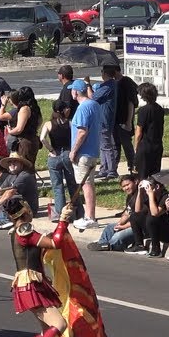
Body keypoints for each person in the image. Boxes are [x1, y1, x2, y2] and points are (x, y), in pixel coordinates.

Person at [2, 197, 71, 337]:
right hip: (31, 284)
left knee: (45, 330)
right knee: (59, 324)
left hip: (32, 283)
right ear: (24, 211)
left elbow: (47, 241)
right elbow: (55, 244)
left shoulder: (18, 231)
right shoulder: (25, 230)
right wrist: (63, 219)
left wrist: (60, 226)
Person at [69, 79, 103, 230]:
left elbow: (82, 132)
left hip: (83, 152)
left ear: (76, 92)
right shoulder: (95, 105)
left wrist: (74, 150)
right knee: (89, 183)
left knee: (85, 184)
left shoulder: (83, 108)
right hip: (94, 150)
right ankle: (90, 215)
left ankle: (90, 217)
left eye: (72, 90)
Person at [40, 104, 81, 220]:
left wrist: (51, 149)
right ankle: (77, 212)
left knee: (57, 186)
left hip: (54, 155)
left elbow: (42, 138)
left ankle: (60, 214)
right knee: (72, 184)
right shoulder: (69, 123)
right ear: (64, 110)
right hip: (67, 153)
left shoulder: (48, 124)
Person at [86, 174, 147, 252]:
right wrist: (119, 224)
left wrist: (124, 226)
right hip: (131, 224)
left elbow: (140, 219)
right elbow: (127, 213)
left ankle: (111, 246)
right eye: (123, 186)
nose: (126, 188)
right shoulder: (130, 196)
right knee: (109, 227)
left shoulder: (143, 195)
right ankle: (102, 243)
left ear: (135, 182)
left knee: (118, 236)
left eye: (128, 185)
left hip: (141, 228)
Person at [133, 82, 165, 179]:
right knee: (155, 177)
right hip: (157, 145)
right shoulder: (160, 109)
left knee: (141, 177)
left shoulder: (143, 110)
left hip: (145, 146)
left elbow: (139, 131)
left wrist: (136, 147)